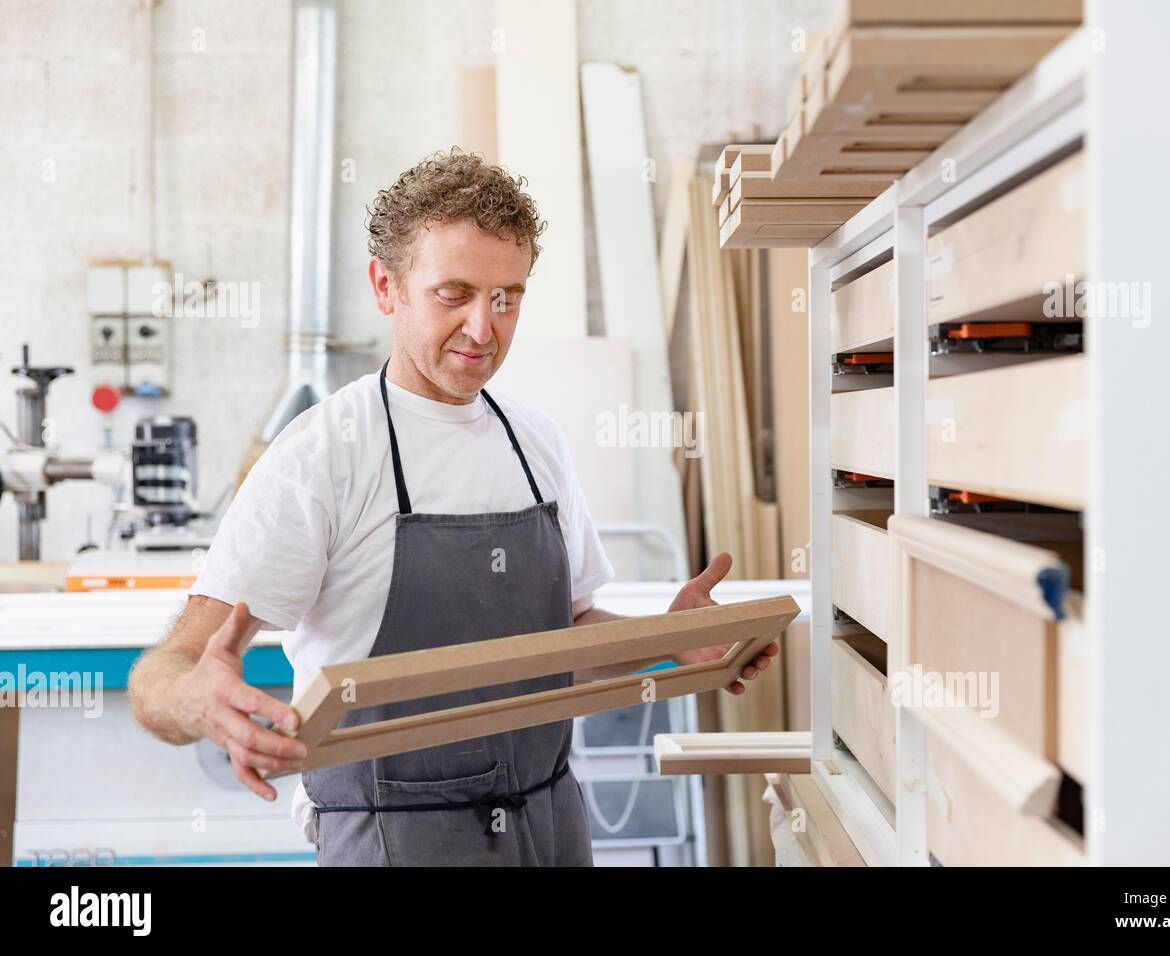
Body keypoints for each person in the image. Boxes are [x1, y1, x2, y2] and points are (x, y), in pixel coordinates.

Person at [127, 149, 778, 866]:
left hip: (550, 824)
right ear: (387, 286)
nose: (482, 327)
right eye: (454, 293)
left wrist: (668, 639)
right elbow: (166, 669)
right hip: (398, 840)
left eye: (507, 296)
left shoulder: (535, 443)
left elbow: (569, 635)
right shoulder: (323, 456)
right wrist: (198, 700)